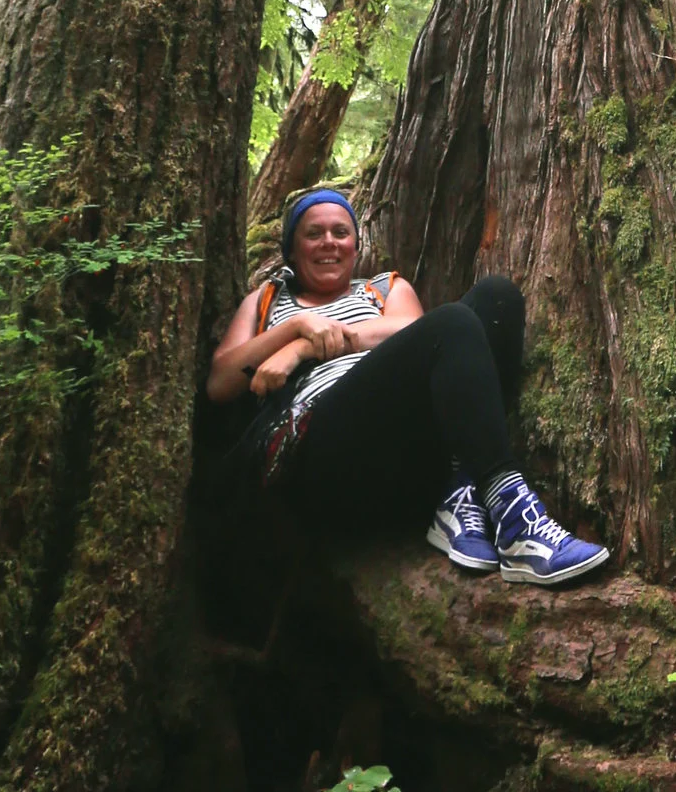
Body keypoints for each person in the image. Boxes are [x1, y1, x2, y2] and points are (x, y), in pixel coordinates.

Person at [206, 185, 610, 586]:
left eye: (341, 233)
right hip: (325, 460)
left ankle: (461, 495)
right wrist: (295, 326)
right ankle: (517, 522)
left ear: (356, 247)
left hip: (408, 456)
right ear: (292, 251)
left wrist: (305, 347)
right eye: (314, 234)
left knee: (496, 297)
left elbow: (414, 332)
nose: (329, 242)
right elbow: (221, 382)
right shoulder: (267, 301)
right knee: (451, 323)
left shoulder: (384, 290)